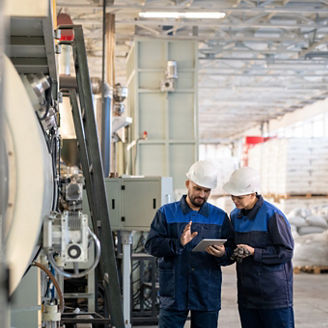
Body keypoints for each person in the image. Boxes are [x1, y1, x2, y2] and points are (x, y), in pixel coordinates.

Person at [145, 160, 234, 328]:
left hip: (206, 291)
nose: (201, 194)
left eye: (206, 190)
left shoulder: (220, 217)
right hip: (174, 291)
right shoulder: (166, 213)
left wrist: (222, 254)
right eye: (197, 188)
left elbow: (231, 252)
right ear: (188, 184)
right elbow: (151, 245)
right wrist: (178, 243)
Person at [223, 167, 294, 328]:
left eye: (239, 196)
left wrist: (255, 252)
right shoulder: (235, 216)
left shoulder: (272, 215)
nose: (235, 200)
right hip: (247, 295)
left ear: (252, 194)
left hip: (274, 297)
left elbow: (286, 252)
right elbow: (232, 247)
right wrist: (224, 252)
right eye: (232, 195)